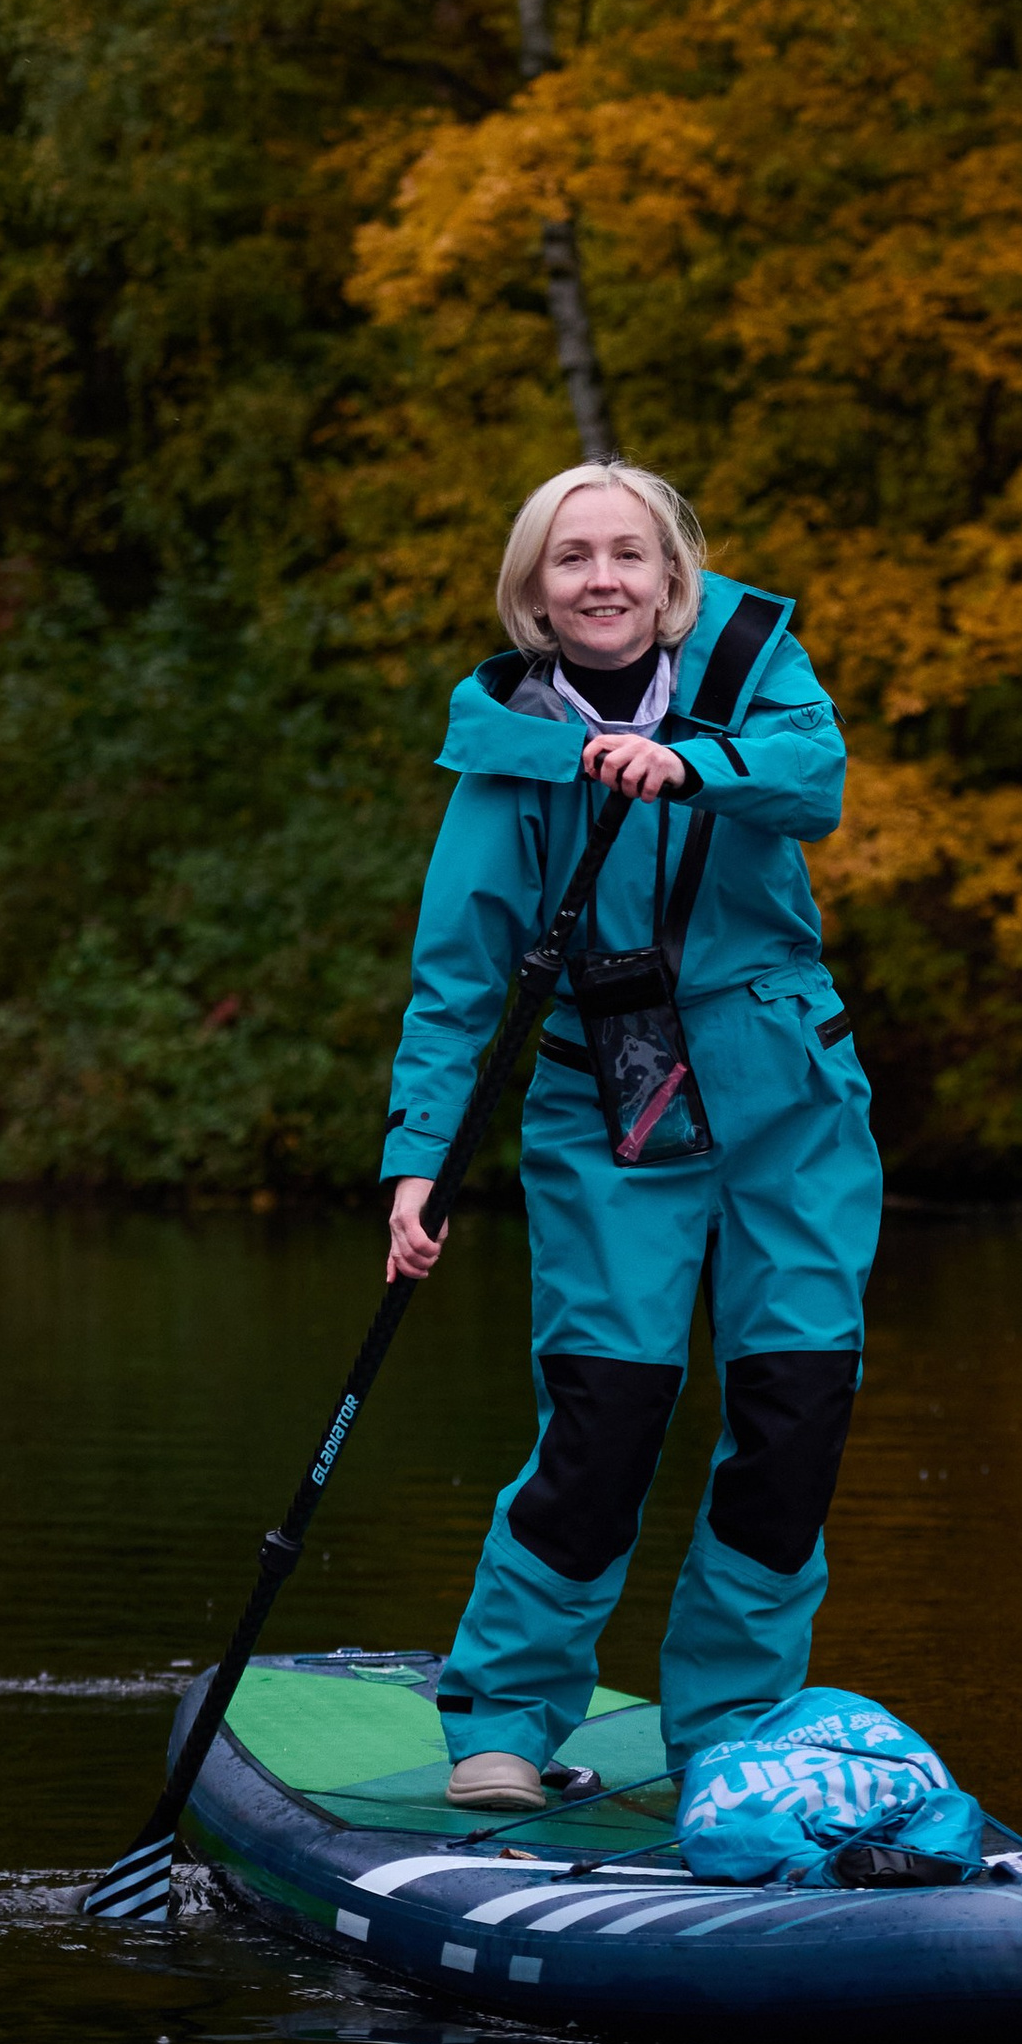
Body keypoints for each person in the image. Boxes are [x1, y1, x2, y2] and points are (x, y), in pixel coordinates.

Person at [383, 461, 882, 1809]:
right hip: (613, 1099)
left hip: (792, 1100)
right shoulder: (507, 754)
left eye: (627, 554)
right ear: (533, 592)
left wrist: (689, 765)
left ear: (673, 580)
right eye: (569, 558)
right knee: (608, 1418)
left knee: (792, 1419)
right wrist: (417, 1162)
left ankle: (732, 1723)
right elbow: (456, 976)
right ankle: (505, 1715)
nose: (601, 577)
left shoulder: (756, 680)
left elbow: (810, 781)